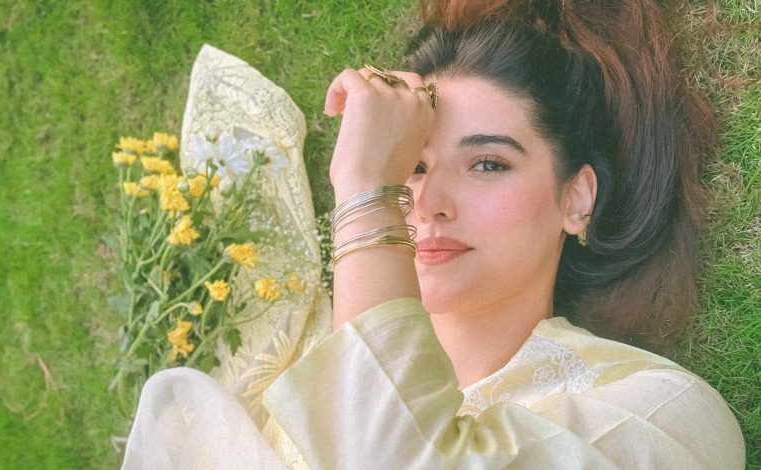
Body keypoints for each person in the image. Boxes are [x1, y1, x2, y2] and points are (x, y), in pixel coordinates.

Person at [122, 1, 745, 468]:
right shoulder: (293, 386)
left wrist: (368, 189)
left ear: (576, 198)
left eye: (488, 164)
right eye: (411, 167)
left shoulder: (666, 410)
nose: (428, 205)